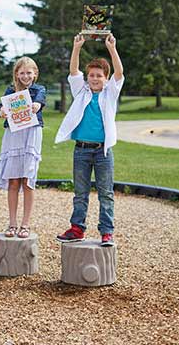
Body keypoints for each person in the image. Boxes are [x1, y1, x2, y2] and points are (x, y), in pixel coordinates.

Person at [55, 33, 124, 247]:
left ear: (105, 78)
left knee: (106, 193)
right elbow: (73, 71)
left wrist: (112, 48)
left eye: (99, 76)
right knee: (80, 193)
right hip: (81, 150)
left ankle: (107, 232)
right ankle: (77, 228)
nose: (94, 79)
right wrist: (77, 47)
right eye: (91, 75)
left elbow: (120, 73)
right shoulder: (81, 92)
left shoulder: (110, 94)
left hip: (103, 152)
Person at [0, 57, 46, 238]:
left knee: (28, 180)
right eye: (22, 72)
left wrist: (37, 105)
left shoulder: (39, 89)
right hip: (14, 135)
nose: (25, 76)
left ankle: (25, 224)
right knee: (13, 180)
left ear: (35, 74)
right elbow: (0, 106)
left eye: (29, 72)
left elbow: (40, 101)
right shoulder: (11, 90)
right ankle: (12, 223)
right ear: (17, 74)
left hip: (31, 134)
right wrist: (1, 111)